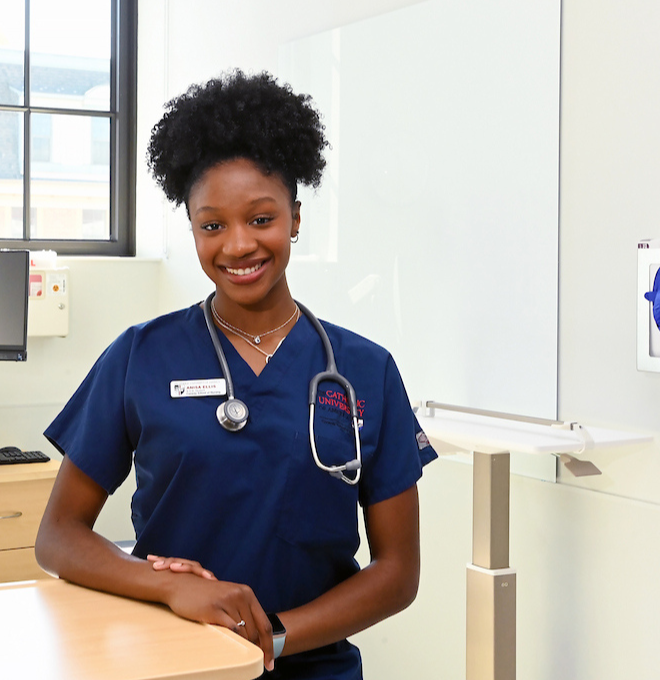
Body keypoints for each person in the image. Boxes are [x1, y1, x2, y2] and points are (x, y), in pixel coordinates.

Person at [35, 70, 437, 680]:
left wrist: (271, 640)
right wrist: (168, 587)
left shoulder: (364, 371)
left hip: (311, 666)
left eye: (261, 218)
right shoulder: (141, 356)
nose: (238, 246)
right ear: (193, 228)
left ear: (296, 218)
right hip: (168, 662)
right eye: (212, 225)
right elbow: (59, 537)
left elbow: (397, 573)